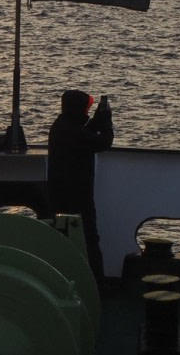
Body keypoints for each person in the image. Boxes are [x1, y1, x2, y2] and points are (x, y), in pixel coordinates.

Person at [47, 90, 114, 289]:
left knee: (71, 240)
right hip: (77, 196)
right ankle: (97, 286)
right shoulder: (71, 131)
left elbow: (84, 135)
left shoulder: (63, 127)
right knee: (89, 239)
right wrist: (106, 121)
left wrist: (95, 121)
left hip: (63, 194)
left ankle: (69, 282)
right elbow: (104, 142)